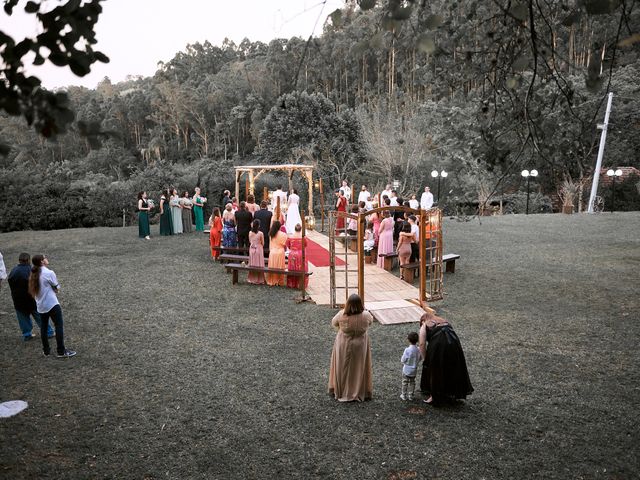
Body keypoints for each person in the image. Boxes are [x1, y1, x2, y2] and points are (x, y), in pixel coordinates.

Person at [419, 312, 473, 405]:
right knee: (452, 367)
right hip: (454, 343)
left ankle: (434, 396)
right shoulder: (444, 321)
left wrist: (426, 359)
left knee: (436, 370)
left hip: (438, 345)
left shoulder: (425, 324)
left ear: (423, 320)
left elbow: (422, 344)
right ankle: (452, 392)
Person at [328, 294, 373, 402]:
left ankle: (341, 391)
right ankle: (358, 390)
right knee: (359, 367)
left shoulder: (341, 314)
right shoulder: (366, 315)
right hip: (360, 344)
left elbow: (334, 323)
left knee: (342, 366)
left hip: (344, 343)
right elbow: (370, 322)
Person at [28, 255, 76, 358]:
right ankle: (61, 351)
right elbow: (57, 288)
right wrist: (55, 289)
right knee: (58, 326)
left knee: (43, 327)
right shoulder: (49, 273)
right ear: (42, 261)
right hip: (52, 304)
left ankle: (46, 351)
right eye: (45, 257)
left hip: (41, 306)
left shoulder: (33, 273)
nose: (46, 258)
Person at [8, 253, 54, 341]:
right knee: (40, 316)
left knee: (23, 319)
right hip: (31, 299)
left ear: (19, 260)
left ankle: (27, 334)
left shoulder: (13, 271)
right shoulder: (31, 270)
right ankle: (49, 332)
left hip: (18, 300)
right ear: (29, 260)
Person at [285, 223, 308, 289]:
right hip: (301, 254)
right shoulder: (303, 237)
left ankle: (292, 283)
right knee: (301, 268)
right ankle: (300, 284)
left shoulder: (290, 237)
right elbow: (306, 245)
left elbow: (288, 245)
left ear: (294, 229)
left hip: (292, 254)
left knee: (292, 268)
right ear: (300, 229)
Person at [401, 332, 422, 401]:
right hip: (414, 369)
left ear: (408, 340)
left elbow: (403, 359)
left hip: (406, 369)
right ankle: (411, 395)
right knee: (412, 382)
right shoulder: (418, 349)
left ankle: (403, 395)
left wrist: (403, 362)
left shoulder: (407, 350)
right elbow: (420, 358)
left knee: (405, 382)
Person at [266, 220, 287, 286]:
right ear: (279, 227)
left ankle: (272, 280)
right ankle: (279, 281)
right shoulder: (283, 234)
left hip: (272, 252)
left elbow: (270, 244)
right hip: (280, 252)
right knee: (279, 267)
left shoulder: (271, 234)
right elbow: (284, 244)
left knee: (273, 266)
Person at [247, 219, 265, 284]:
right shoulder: (260, 233)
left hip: (252, 249)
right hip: (258, 249)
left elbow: (250, 241)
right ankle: (259, 279)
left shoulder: (250, 233)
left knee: (252, 263)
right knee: (259, 263)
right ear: (258, 226)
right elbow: (263, 243)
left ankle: (252, 278)